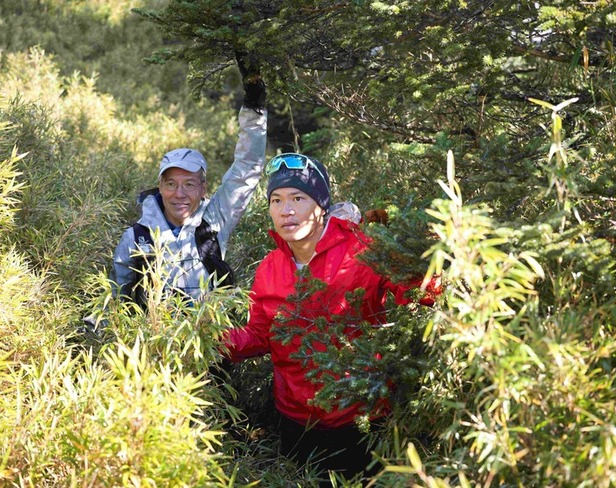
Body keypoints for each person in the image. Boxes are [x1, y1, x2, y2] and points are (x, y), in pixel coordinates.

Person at [223, 153, 440, 485]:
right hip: (296, 419)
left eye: (299, 198)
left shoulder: (365, 250)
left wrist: (439, 263)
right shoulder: (270, 266)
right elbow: (263, 334)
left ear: (321, 205)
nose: (287, 210)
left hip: (364, 418)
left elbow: (419, 291)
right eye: (277, 200)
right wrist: (215, 340)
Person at [110, 57, 267, 304]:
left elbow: (247, 169)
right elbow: (116, 299)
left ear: (203, 188)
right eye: (171, 184)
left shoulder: (215, 221)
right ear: (160, 187)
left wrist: (254, 108)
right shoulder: (137, 237)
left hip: (208, 339)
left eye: (190, 184)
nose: (179, 193)